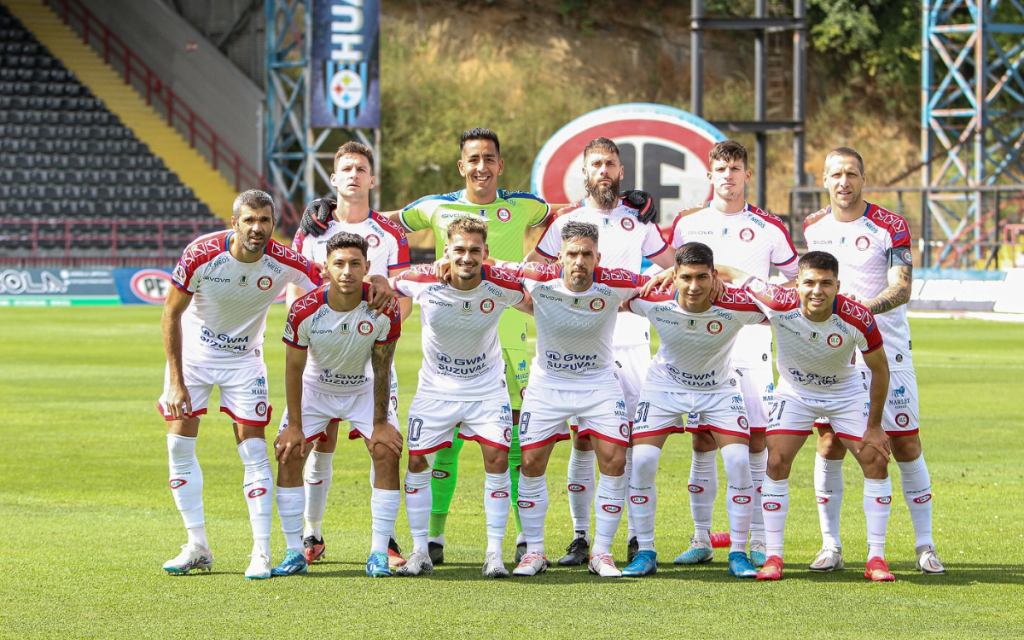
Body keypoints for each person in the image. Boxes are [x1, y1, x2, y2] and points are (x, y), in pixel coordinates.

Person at [644, 139, 799, 567]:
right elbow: (668, 272)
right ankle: (700, 538)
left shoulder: (770, 227)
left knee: (756, 442)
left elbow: (796, 280)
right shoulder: (687, 222)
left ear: (747, 174)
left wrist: (762, 302)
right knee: (703, 441)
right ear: (709, 176)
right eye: (720, 169)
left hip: (749, 344)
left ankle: (762, 543)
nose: (728, 176)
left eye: (735, 168)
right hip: (698, 346)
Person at [158, 190, 323, 579]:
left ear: (272, 224)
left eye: (264, 220)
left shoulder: (283, 259)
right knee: (178, 447)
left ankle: (261, 553)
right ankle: (197, 545)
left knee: (254, 454)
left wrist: (379, 282)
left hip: (244, 363)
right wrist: (176, 382)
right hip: (193, 363)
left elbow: (334, 276)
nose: (256, 228)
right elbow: (170, 314)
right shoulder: (201, 253)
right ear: (234, 222)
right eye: (248, 220)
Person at [528, 137, 675, 566]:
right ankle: (579, 537)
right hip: (579, 338)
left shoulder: (638, 219)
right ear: (585, 172)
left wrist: (655, 228)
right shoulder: (565, 221)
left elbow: (671, 267)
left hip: (630, 338)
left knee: (621, 442)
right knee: (583, 440)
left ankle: (631, 536)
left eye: (610, 163)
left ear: (621, 171)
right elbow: (533, 269)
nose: (604, 171)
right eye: (596, 164)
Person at [803, 147, 945, 575]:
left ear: (863, 179)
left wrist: (859, 312)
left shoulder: (890, 225)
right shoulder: (813, 227)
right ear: (824, 180)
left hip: (888, 348)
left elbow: (902, 288)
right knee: (829, 443)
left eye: (851, 174)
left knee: (904, 444)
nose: (844, 182)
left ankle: (925, 545)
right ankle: (831, 545)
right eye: (836, 175)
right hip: (831, 353)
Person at [721, 251, 896, 582]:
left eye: (826, 283)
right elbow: (729, 269)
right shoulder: (776, 299)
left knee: (875, 459)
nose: (817, 290)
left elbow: (880, 369)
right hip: (795, 392)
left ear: (838, 286)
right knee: (776, 460)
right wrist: (673, 273)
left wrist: (874, 427)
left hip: (845, 392)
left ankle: (876, 558)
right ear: (796, 284)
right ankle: (774, 556)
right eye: (810, 283)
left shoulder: (857, 317)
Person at [287, 142, 411, 569]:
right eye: (346, 169)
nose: (354, 175)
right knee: (319, 444)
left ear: (373, 180)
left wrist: (383, 308)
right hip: (322, 358)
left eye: (362, 168)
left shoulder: (391, 234)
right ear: (334, 179)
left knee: (385, 444)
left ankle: (386, 540)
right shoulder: (311, 230)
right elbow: (296, 293)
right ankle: (311, 533)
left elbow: (405, 299)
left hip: (369, 357)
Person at [504, 221, 649, 578]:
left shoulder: (616, 281)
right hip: (548, 382)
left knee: (615, 460)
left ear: (598, 257)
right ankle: (534, 551)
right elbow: (488, 265)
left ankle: (601, 552)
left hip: (598, 383)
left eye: (587, 254)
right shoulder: (537, 278)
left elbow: (669, 279)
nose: (580, 261)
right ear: (560, 257)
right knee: (532, 461)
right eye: (572, 254)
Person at [390, 216, 533, 578]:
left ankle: (494, 554)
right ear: (447, 251)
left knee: (498, 462)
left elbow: (540, 297)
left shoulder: (501, 284)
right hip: (435, 389)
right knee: (418, 464)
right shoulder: (421, 280)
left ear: (485, 252)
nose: (466, 257)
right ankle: (420, 550)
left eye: (474, 250)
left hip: (486, 389)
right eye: (459, 250)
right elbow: (380, 285)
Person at [621, 242, 766, 578]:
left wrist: (734, 273)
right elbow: (606, 295)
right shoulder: (652, 297)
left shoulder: (738, 305)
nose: (694, 286)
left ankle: (739, 552)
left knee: (739, 463)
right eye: (685, 277)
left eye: (703, 277)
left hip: (718, 389)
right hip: (664, 387)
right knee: (641, 461)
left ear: (715, 276)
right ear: (674, 276)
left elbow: (782, 307)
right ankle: (645, 551)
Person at [273, 232, 402, 578]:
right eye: (339, 264)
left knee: (386, 450)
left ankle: (378, 551)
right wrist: (296, 426)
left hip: (364, 388)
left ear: (367, 268)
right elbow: (294, 368)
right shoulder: (304, 310)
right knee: (289, 452)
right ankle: (293, 549)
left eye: (355, 264)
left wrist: (380, 423)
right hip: (316, 388)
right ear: (326, 268)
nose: (347, 271)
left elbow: (382, 366)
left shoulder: (384, 307)